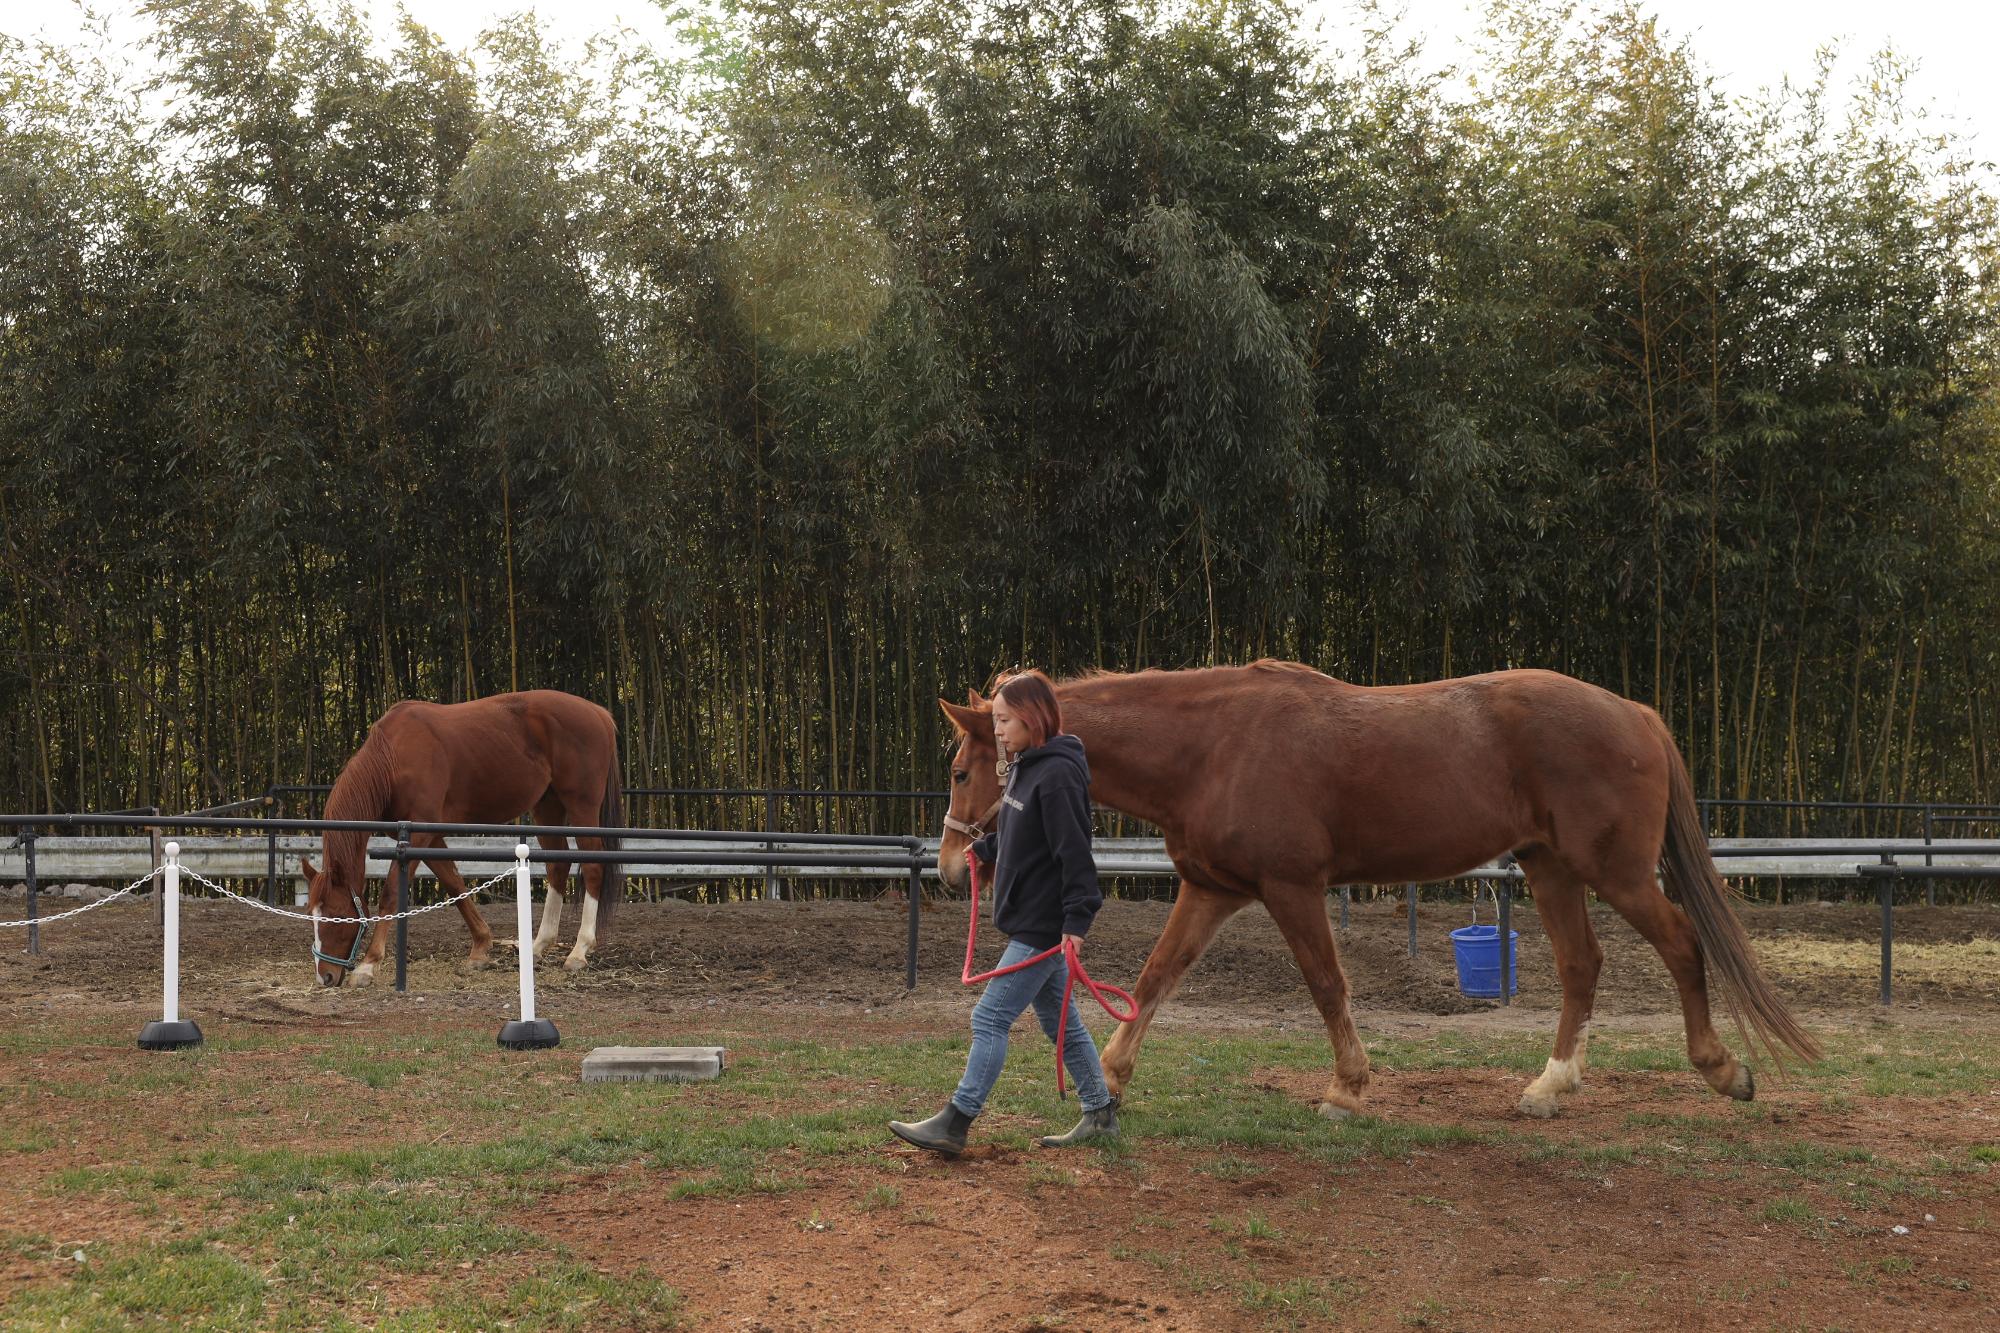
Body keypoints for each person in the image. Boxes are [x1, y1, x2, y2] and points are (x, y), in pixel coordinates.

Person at [890, 670, 1118, 1157]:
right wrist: (986, 847)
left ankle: (956, 1120)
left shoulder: (1057, 775)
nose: (997, 730)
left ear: (1032, 718)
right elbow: (1021, 832)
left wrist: (1077, 922)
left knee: (989, 1018)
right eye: (995, 719)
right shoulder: (1024, 766)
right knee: (1064, 1025)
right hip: (1030, 919)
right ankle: (1099, 1113)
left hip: (1041, 924)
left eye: (1003, 720)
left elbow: (1075, 855)